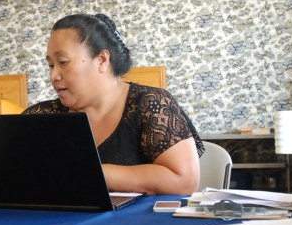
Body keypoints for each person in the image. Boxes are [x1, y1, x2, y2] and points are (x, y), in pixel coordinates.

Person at [24, 13, 204, 195]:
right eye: (51, 65)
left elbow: (184, 181)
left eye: (63, 62)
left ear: (102, 60)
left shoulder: (151, 105)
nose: (53, 76)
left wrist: (89, 173)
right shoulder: (40, 116)